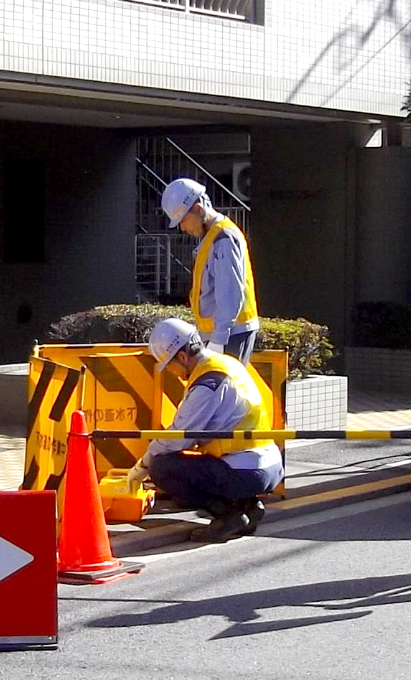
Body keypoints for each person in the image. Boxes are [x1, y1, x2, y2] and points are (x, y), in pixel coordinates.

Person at [125, 318, 283, 543]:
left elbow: (178, 438)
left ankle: (228, 516)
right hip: (269, 465)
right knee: (192, 466)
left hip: (246, 472)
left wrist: (143, 465)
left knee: (162, 467)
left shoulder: (207, 384)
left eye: (170, 365)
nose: (172, 372)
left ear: (182, 357)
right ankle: (248, 506)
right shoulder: (226, 363)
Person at [161, 178, 260, 365]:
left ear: (198, 208)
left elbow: (229, 293)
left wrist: (218, 340)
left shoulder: (223, 239)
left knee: (226, 388)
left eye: (183, 220)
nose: (182, 228)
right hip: (226, 332)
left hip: (230, 334)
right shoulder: (213, 237)